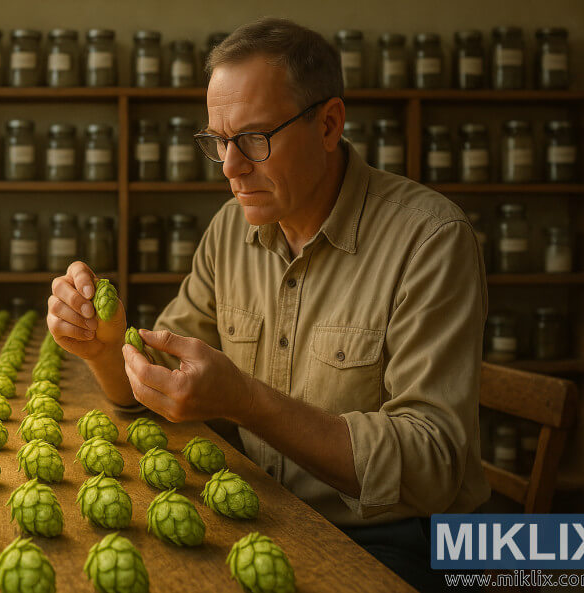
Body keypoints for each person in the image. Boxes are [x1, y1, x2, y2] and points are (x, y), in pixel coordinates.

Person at [47, 17, 489, 593]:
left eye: (254, 138)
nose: (230, 167)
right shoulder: (233, 228)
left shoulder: (430, 240)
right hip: (266, 513)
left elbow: (432, 467)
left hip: (399, 540)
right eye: (217, 142)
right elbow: (162, 388)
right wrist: (107, 351)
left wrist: (246, 402)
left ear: (329, 124)